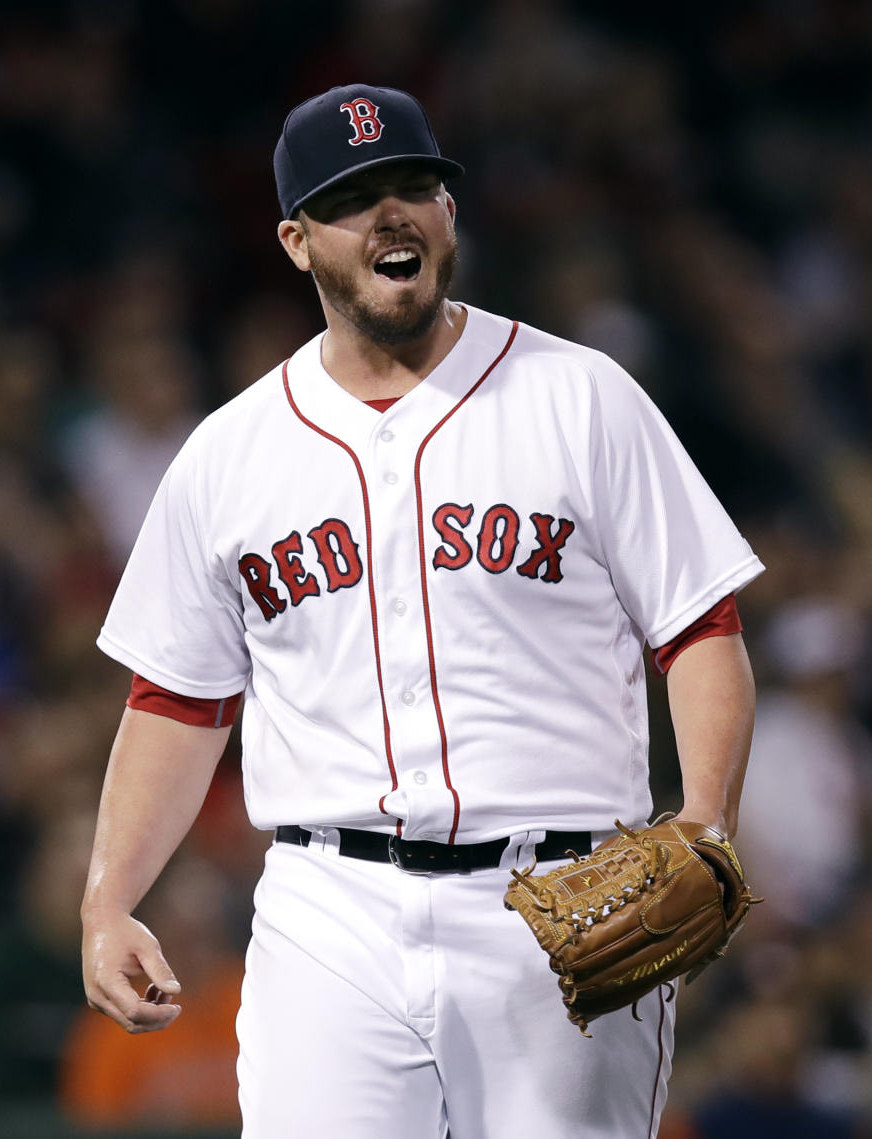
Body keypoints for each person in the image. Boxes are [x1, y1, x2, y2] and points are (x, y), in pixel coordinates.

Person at [81, 84, 764, 1139]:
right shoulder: (230, 451)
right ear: (297, 241)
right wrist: (110, 895)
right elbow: (177, 696)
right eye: (354, 199)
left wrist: (707, 816)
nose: (391, 214)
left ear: (450, 213)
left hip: (563, 899)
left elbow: (700, 630)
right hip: (329, 908)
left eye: (414, 187)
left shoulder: (579, 396)